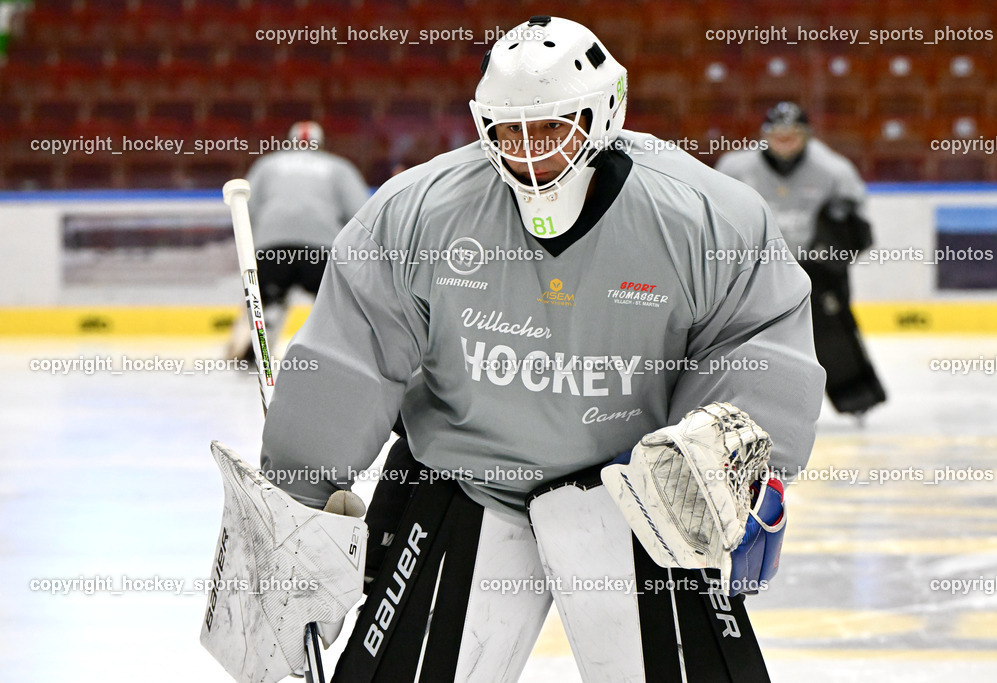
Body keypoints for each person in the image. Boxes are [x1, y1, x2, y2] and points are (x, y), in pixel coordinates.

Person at [260, 17, 824, 682]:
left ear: (603, 112)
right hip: (466, 485)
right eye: (508, 130)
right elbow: (348, 359)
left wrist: (731, 455)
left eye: (552, 126)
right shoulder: (418, 212)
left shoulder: (707, 217)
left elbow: (760, 340)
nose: (527, 150)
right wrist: (295, 512)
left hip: (640, 500)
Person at [717, 102, 886, 418]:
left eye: (792, 135)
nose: (784, 141)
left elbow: (857, 226)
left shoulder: (834, 171)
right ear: (764, 134)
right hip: (755, 267)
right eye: (776, 134)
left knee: (829, 329)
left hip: (816, 267)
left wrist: (833, 248)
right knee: (747, 333)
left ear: (806, 135)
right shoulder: (735, 168)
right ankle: (744, 401)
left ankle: (856, 397)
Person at [225, 121, 369, 362]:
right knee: (333, 304)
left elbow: (245, 209)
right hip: (321, 248)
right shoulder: (339, 167)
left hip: (272, 246)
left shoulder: (268, 164)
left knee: (268, 300)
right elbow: (361, 213)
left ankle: (259, 343)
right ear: (321, 143)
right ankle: (340, 349)